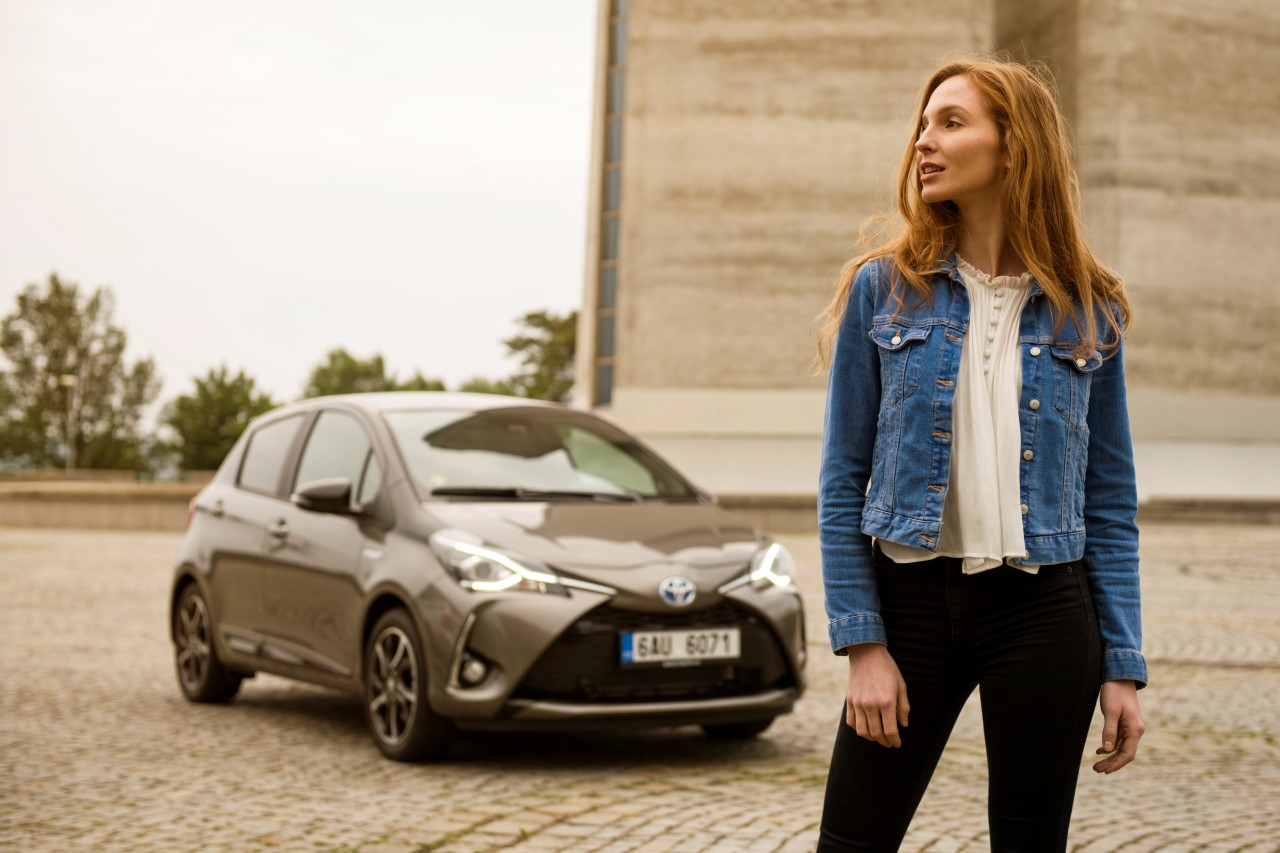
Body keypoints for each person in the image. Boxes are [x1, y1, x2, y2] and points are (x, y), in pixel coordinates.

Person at [813, 56, 1147, 852]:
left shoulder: (1088, 305)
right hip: (910, 607)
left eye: (951, 122)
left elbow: (1108, 499)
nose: (923, 142)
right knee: (852, 841)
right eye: (923, 125)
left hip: (1045, 611)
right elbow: (842, 479)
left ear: (1014, 144)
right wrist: (864, 645)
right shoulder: (884, 288)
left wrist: (1123, 664)